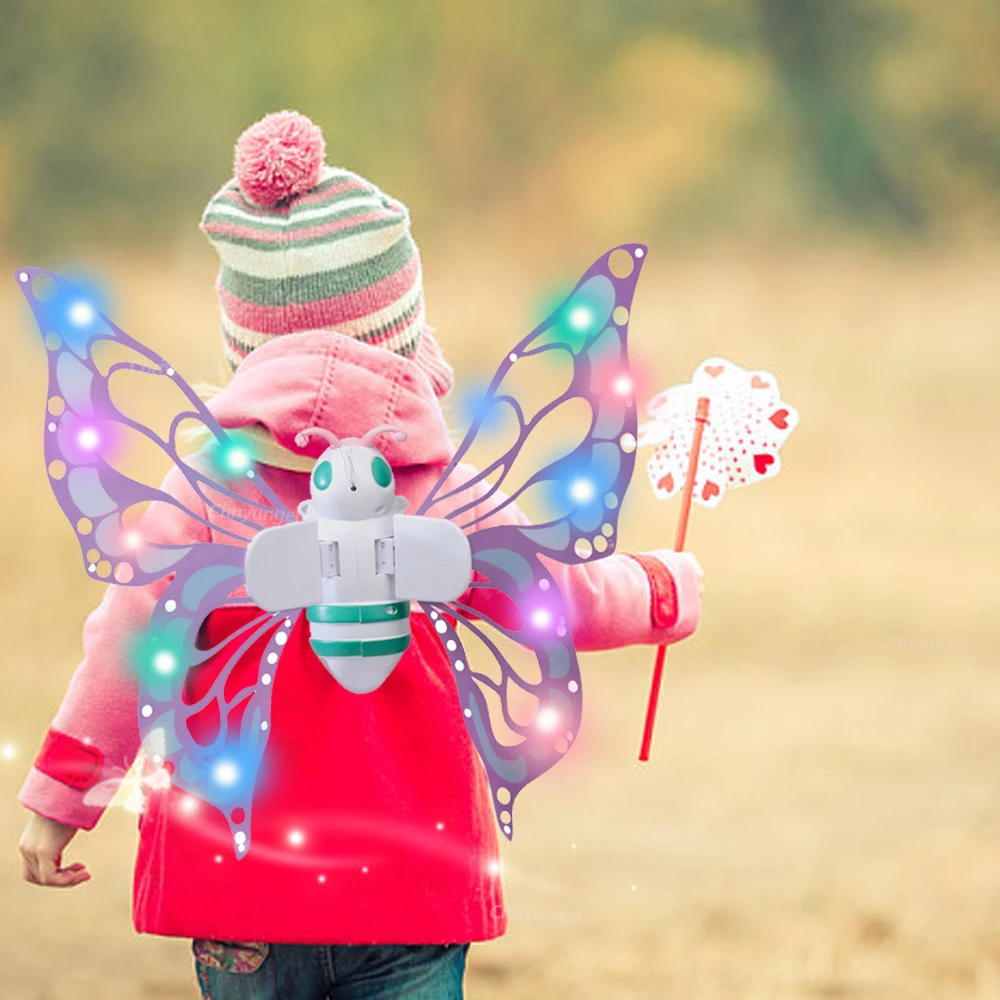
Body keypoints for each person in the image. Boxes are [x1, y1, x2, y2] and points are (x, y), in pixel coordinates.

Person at [17, 111, 703, 1000]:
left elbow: (124, 646)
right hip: (408, 888)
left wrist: (59, 800)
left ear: (244, 346)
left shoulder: (204, 491)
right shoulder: (446, 489)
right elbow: (560, 598)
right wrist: (664, 590)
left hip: (239, 891)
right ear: (405, 330)